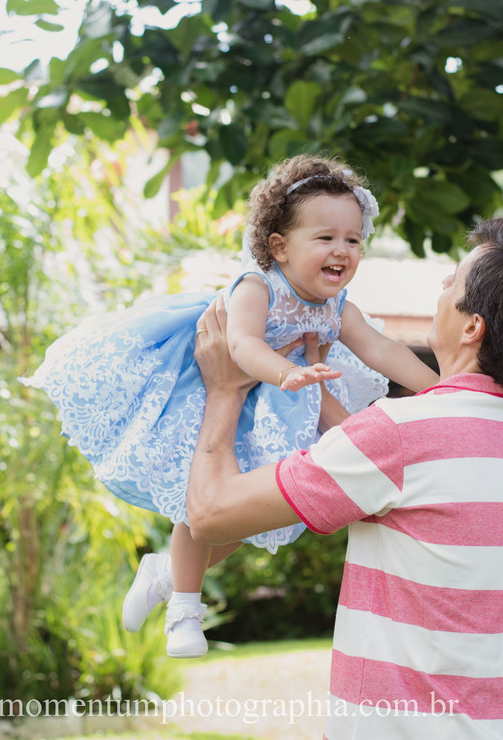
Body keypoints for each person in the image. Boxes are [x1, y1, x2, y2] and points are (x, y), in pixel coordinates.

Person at [187, 217, 503, 738]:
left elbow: (209, 513)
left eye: (452, 281)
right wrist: (319, 399)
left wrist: (225, 391)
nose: (440, 289)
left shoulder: (402, 435)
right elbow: (408, 471)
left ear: (472, 326)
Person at [24, 155, 439, 657]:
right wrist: (288, 372)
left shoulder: (339, 305)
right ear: (278, 247)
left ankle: (162, 571)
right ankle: (183, 610)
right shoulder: (256, 286)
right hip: (214, 393)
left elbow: (383, 349)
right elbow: (241, 347)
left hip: (280, 406)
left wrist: (443, 391)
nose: (342, 251)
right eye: (326, 238)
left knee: (245, 516)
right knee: (202, 502)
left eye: (353, 240)